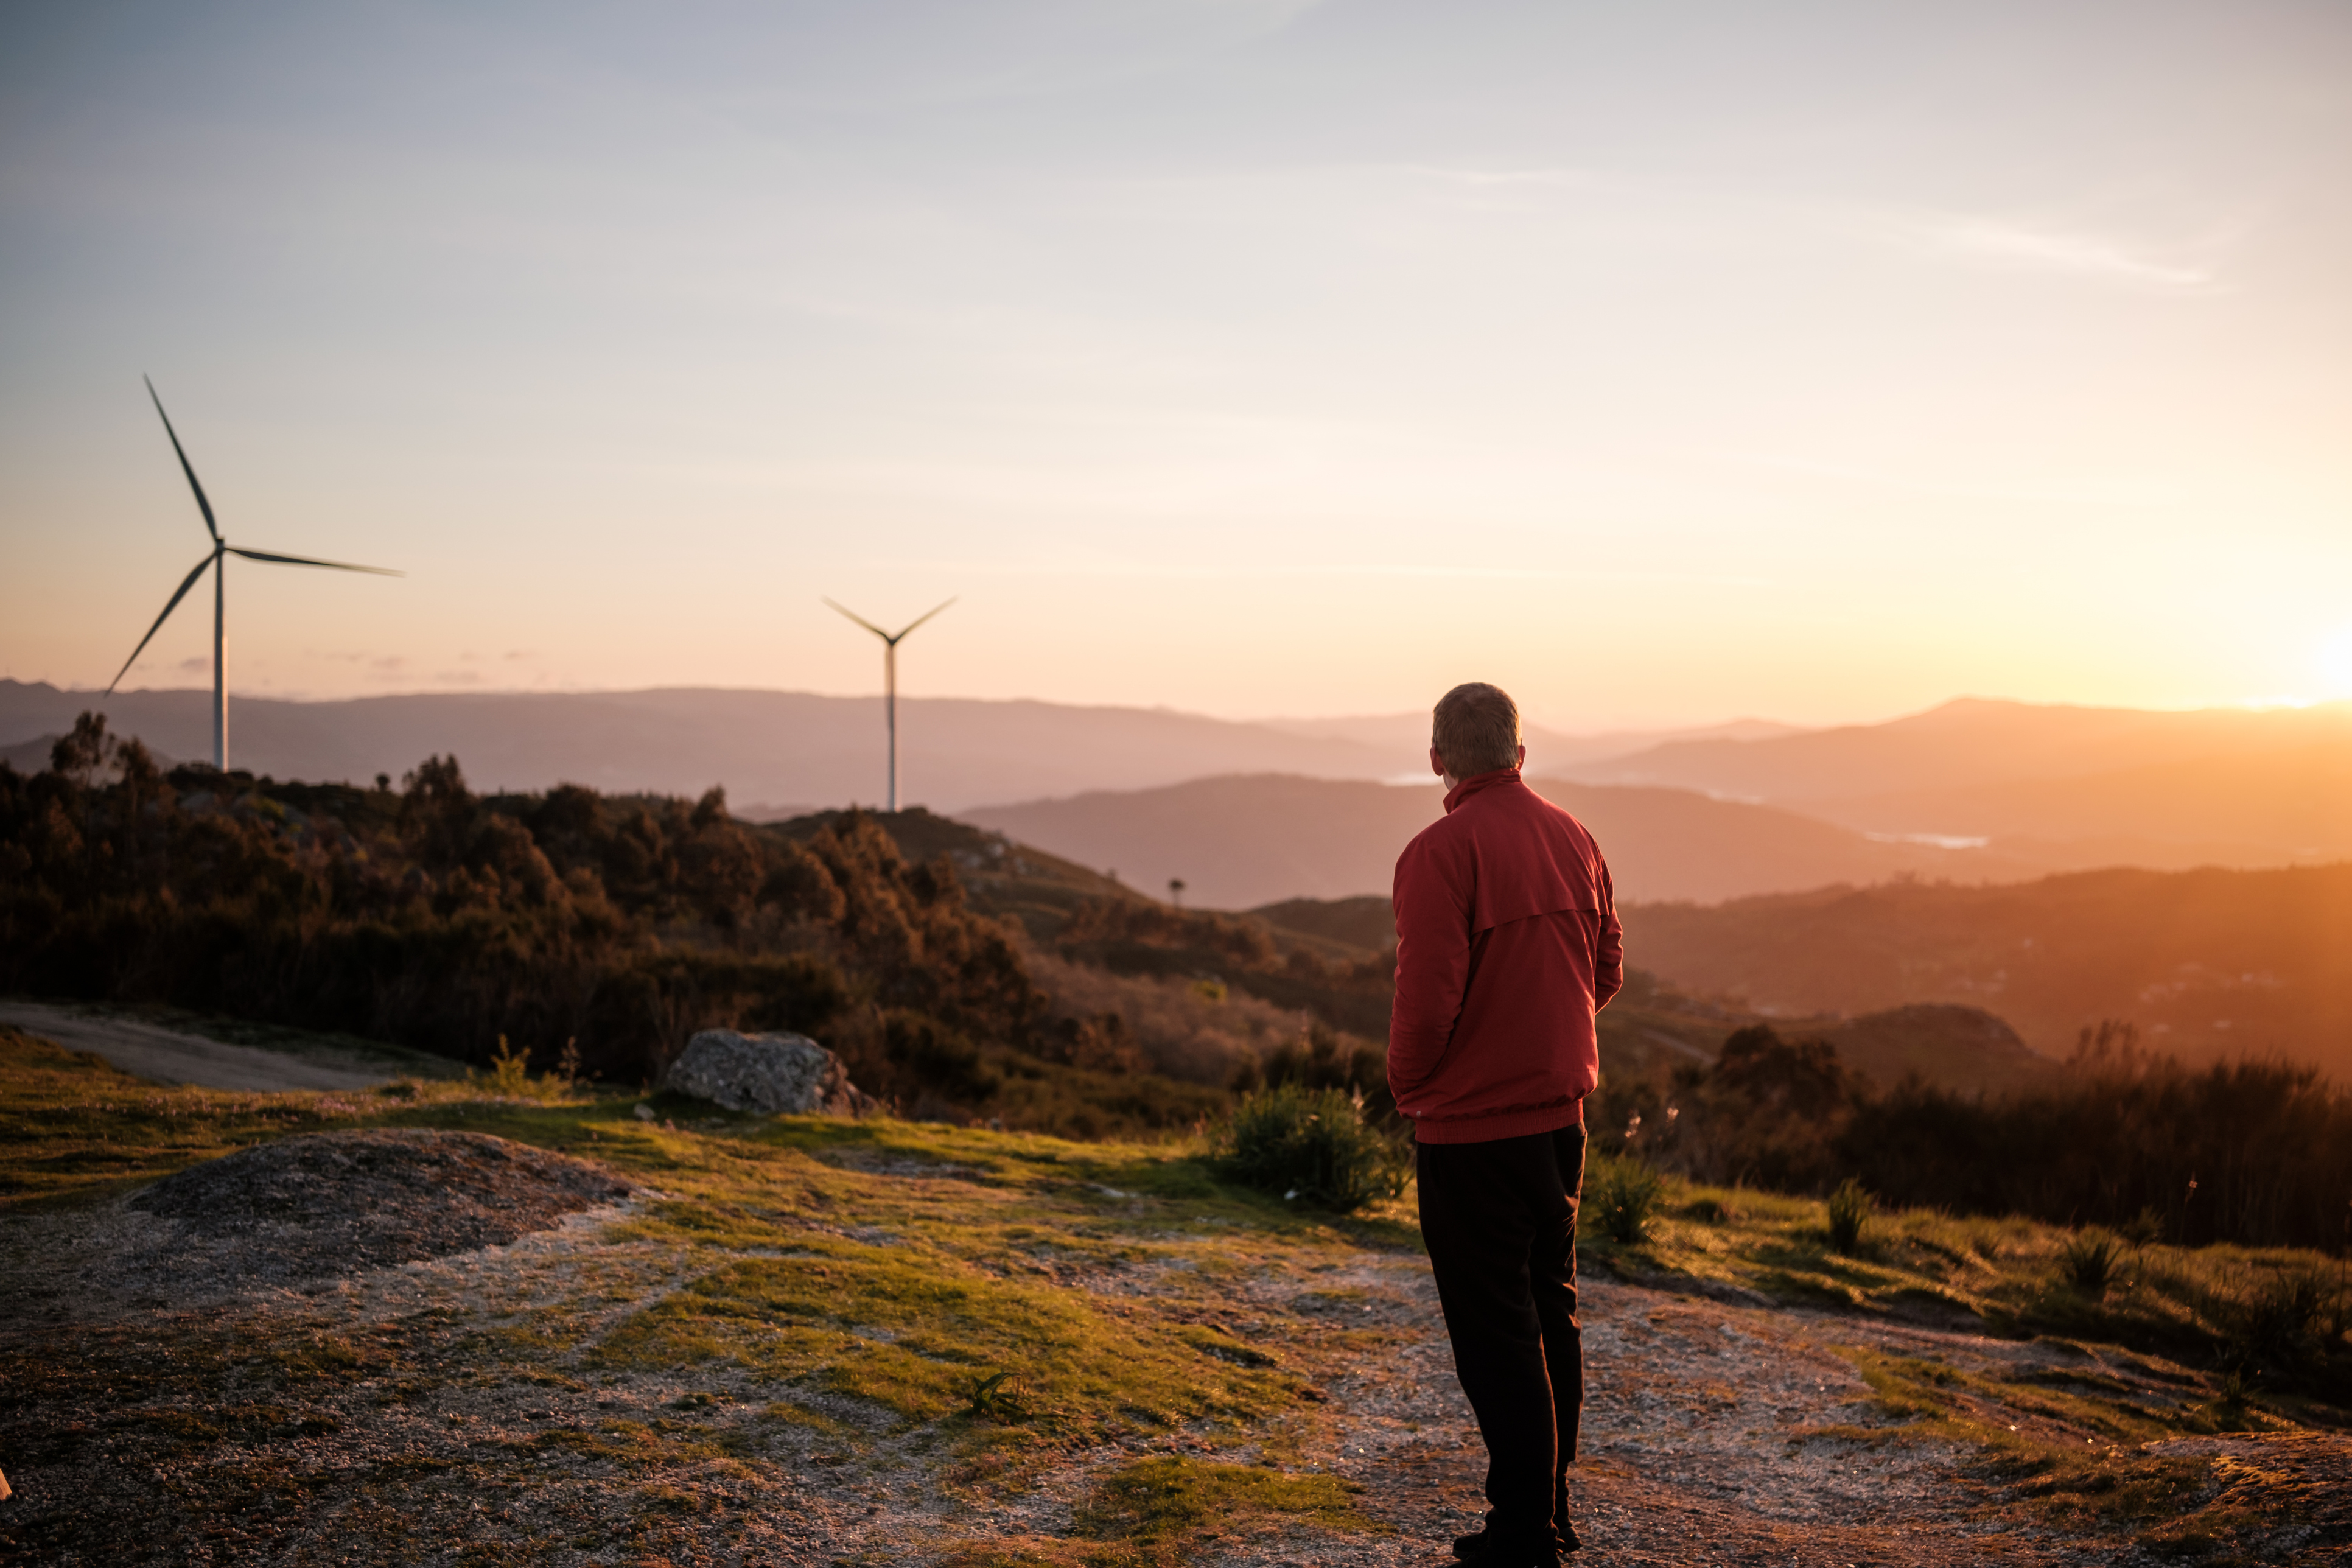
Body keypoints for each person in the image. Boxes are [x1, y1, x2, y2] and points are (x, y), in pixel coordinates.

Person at [1388, 682, 1623, 1564]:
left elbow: (1427, 1000)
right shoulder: (1575, 836)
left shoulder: (1438, 852)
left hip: (1471, 1134)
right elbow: (1606, 969)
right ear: (1521, 754)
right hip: (1561, 1125)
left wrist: (1411, 1084)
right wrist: (1547, 1039)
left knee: (1494, 1332)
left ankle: (1524, 1531)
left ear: (1439, 756)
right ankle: (1549, 1509)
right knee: (1549, 1315)